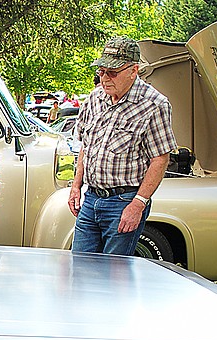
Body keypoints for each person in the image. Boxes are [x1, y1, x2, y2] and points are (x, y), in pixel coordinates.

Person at [69, 36, 176, 256]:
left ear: (133, 70)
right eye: (101, 71)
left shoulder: (154, 104)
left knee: (113, 273)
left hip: (124, 201)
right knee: (79, 267)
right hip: (91, 199)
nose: (105, 78)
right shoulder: (94, 98)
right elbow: (85, 146)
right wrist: (76, 185)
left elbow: (160, 158)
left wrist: (138, 204)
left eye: (112, 72)